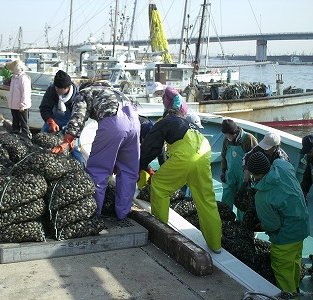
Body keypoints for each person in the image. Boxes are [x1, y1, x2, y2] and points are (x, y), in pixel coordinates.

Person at [139, 89, 222, 254]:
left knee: (159, 187)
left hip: (185, 156)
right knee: (206, 200)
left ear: (167, 112)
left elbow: (152, 148)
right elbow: (165, 152)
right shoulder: (186, 123)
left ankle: (160, 233)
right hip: (204, 153)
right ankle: (215, 244)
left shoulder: (165, 121)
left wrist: (141, 165)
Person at [51, 81, 141, 220]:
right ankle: (123, 214)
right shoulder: (114, 91)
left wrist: (67, 139)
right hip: (135, 124)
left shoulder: (85, 93)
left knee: (98, 170)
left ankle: (93, 213)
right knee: (128, 172)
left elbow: (78, 116)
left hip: (113, 123)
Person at [247, 152, 309, 294]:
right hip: (302, 226)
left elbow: (273, 225)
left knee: (283, 270)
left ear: (253, 173)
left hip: (285, 238)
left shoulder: (262, 196)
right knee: (294, 262)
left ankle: (290, 296)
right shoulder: (283, 166)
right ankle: (296, 289)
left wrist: (262, 226)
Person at [39, 70, 82, 163]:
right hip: (54, 119)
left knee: (75, 149)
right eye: (55, 87)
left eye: (59, 88)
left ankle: (81, 168)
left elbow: (78, 119)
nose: (56, 89)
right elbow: (44, 108)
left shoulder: (77, 96)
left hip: (70, 123)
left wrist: (72, 138)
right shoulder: (52, 90)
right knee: (41, 140)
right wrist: (50, 121)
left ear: (67, 88)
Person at [220, 119, 258, 220]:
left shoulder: (248, 138)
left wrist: (250, 173)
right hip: (230, 174)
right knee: (226, 199)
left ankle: (242, 222)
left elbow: (256, 157)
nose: (226, 137)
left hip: (244, 176)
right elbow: (223, 156)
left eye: (227, 135)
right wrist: (223, 171)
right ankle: (225, 220)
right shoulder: (226, 140)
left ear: (234, 132)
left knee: (243, 201)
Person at [7, 60, 32, 139]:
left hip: (21, 107)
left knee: (24, 124)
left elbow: (26, 93)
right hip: (14, 106)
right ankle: (15, 137)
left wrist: (23, 105)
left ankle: (26, 138)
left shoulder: (24, 78)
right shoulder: (14, 77)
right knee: (15, 124)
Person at [300, 134, 313, 204]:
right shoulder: (310, 157)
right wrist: (303, 192)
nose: (308, 154)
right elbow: (307, 176)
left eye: (310, 151)